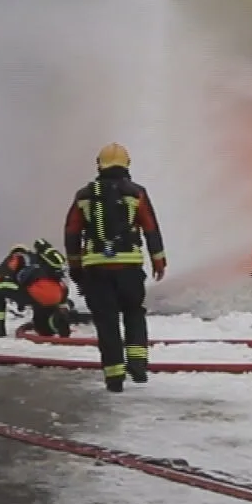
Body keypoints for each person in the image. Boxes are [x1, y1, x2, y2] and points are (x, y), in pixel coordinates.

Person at [64, 143, 167, 393]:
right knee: (134, 313)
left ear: (99, 164)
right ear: (127, 164)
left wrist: (75, 267)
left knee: (106, 321)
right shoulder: (136, 193)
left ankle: (114, 378)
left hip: (96, 269)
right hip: (130, 268)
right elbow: (150, 227)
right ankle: (139, 367)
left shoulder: (84, 195)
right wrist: (158, 260)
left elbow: (72, 233)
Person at [0, 239, 74, 338]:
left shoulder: (18, 256)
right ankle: (58, 323)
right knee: (43, 329)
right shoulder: (42, 262)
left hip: (36, 291)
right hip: (56, 293)